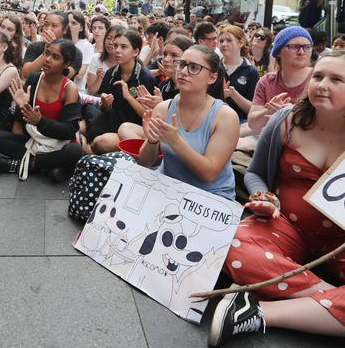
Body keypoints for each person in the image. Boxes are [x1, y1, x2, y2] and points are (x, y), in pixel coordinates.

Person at [210, 51, 345, 346]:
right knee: (230, 242)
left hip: (340, 246)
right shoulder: (288, 119)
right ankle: (328, 299)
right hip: (286, 227)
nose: (322, 84)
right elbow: (255, 173)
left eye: (336, 79)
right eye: (319, 76)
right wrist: (265, 196)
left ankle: (259, 312)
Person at [139, 45, 239, 200]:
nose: (184, 72)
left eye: (194, 67)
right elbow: (146, 161)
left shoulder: (225, 116)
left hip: (209, 198)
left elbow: (209, 173)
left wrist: (176, 141)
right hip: (169, 188)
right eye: (181, 64)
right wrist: (152, 141)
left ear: (212, 78)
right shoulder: (163, 108)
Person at [0, 39, 82, 182]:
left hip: (59, 145)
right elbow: (24, 121)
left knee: (75, 152)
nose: (47, 59)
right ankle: (48, 166)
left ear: (67, 64)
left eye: (55, 57)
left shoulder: (70, 89)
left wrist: (40, 122)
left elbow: (68, 131)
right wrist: (22, 106)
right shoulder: (34, 79)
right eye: (47, 53)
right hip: (33, 140)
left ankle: (23, 164)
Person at [86, 28, 157, 153]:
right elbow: (105, 109)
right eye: (116, 46)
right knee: (82, 130)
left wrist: (129, 97)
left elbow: (148, 116)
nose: (117, 50)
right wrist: (105, 104)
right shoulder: (111, 73)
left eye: (123, 47)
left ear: (136, 52)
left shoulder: (145, 78)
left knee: (100, 143)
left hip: (134, 130)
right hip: (112, 124)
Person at [119, 35, 194, 143]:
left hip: (184, 141)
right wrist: (152, 109)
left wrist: (163, 106)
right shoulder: (164, 85)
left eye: (174, 55)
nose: (166, 59)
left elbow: (189, 127)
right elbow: (156, 121)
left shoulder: (192, 87)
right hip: (163, 135)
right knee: (125, 128)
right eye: (165, 54)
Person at [248, 27, 313, 134]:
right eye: (294, 47)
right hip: (272, 141)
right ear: (278, 52)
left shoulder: (319, 79)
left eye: (307, 47)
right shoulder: (266, 81)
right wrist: (269, 111)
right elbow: (252, 124)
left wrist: (290, 113)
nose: (301, 52)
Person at [22, 12, 83, 80]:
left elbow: (65, 77)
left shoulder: (75, 52)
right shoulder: (34, 46)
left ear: (65, 30)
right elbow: (26, 73)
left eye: (54, 26)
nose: (48, 29)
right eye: (46, 25)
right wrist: (46, 50)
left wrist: (54, 47)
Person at [219, 25, 260, 122]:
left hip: (241, 122)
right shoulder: (213, 66)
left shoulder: (250, 71)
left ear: (240, 43)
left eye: (229, 40)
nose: (224, 44)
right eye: (221, 41)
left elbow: (253, 110)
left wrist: (233, 94)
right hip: (215, 120)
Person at [86, 25, 120, 96]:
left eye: (114, 39)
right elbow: (90, 92)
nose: (110, 42)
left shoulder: (125, 63)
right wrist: (99, 78)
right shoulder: (96, 58)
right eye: (108, 38)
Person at [66, 11, 95, 92]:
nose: (69, 25)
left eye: (74, 23)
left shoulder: (87, 46)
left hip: (76, 91)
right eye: (67, 22)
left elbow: (79, 75)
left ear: (81, 28)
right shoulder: (60, 42)